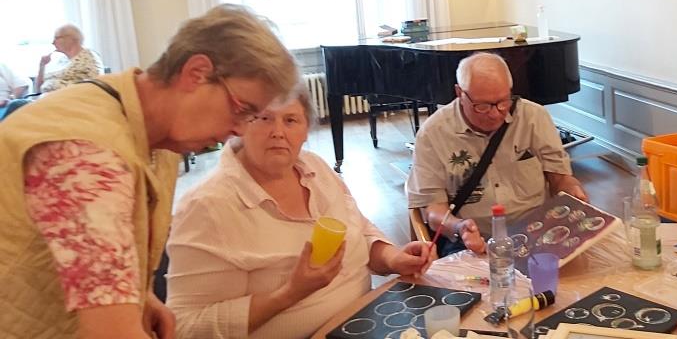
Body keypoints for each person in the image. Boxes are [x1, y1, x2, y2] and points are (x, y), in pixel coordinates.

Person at [0, 4, 298, 339]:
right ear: (197, 73)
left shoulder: (148, 125)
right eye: (242, 110)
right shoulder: (88, 155)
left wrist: (140, 295)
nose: (240, 130)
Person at [166, 86, 434, 339]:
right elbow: (185, 326)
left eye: (291, 120)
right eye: (263, 118)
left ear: (306, 130)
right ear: (239, 126)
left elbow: (359, 230)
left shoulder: (314, 167)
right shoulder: (207, 207)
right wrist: (290, 293)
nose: (278, 132)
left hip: (367, 321)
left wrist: (393, 258)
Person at [406, 52, 587, 256]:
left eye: (503, 102)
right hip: (473, 241)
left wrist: (571, 189)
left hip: (536, 234)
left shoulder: (533, 117)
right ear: (459, 93)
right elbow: (433, 210)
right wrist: (459, 227)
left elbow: (559, 178)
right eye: (482, 106)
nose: (495, 114)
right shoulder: (433, 133)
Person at [36, 23, 103, 93]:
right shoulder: (62, 60)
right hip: (48, 98)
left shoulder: (88, 58)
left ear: (71, 39)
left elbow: (94, 87)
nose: (53, 42)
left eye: (57, 38)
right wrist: (42, 66)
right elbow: (38, 89)